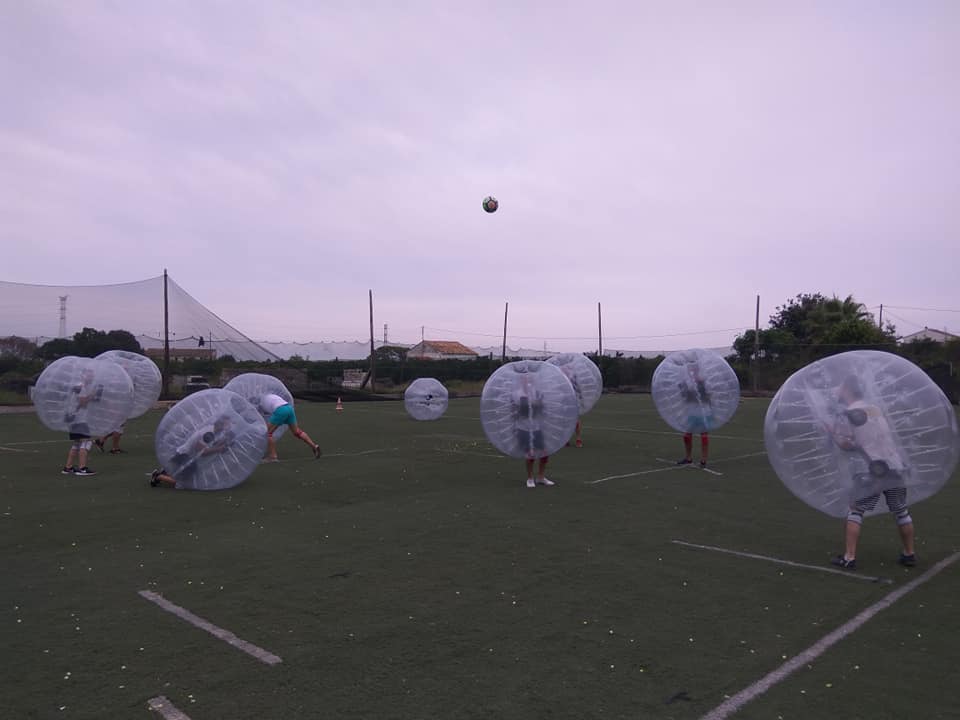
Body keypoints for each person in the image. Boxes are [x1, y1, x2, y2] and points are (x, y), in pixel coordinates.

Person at [825, 375, 915, 570]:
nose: (837, 390)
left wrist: (832, 433)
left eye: (840, 386)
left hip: (874, 470)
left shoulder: (849, 413)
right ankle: (909, 554)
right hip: (895, 466)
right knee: (901, 510)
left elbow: (846, 444)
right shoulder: (874, 408)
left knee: (856, 509)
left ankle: (849, 558)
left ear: (847, 389)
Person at [151, 415, 235, 488]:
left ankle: (167, 471)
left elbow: (210, 445)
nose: (228, 426)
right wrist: (219, 449)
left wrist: (223, 443)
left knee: (190, 478)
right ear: (220, 424)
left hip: (187, 457)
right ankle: (158, 476)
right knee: (185, 484)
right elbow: (202, 452)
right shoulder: (208, 433)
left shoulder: (214, 431)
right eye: (227, 424)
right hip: (184, 456)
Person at [513, 373, 553, 488]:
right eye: (526, 379)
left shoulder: (537, 392)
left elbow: (543, 406)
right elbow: (517, 409)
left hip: (537, 426)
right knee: (530, 453)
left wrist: (539, 404)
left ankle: (541, 477)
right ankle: (530, 478)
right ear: (522, 381)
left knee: (544, 453)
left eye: (530, 379)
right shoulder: (517, 393)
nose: (529, 381)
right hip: (524, 427)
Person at [61, 367, 101, 476]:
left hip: (74, 418)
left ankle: (68, 468)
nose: (92, 377)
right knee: (86, 441)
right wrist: (92, 395)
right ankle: (82, 468)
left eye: (92, 375)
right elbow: (83, 402)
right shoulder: (81, 387)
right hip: (79, 419)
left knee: (77, 443)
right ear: (83, 375)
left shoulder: (79, 386)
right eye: (89, 375)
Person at [260, 393, 321, 461]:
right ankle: (314, 446)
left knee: (268, 433)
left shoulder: (260, 402)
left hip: (280, 410)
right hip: (289, 408)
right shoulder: (270, 395)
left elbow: (263, 416)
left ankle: (273, 456)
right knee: (297, 432)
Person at [676, 361, 712, 468]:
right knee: (687, 435)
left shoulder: (704, 381)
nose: (692, 370)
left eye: (694, 368)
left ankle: (703, 460)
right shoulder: (689, 382)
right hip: (692, 411)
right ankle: (688, 458)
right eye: (691, 368)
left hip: (703, 411)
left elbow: (709, 394)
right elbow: (685, 395)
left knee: (703, 434)